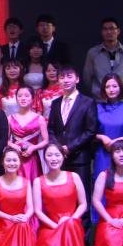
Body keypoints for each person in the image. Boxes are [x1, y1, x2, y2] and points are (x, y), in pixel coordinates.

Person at [33, 144, 102, 246]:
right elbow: (38, 211)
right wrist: (56, 226)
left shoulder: (74, 176)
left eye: (57, 155)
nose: (53, 158)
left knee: (69, 229)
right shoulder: (38, 181)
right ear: (44, 158)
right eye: (49, 155)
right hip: (50, 225)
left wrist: (70, 219)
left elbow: (83, 204)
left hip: (72, 224)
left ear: (63, 156)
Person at [47, 65, 98, 224]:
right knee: (63, 198)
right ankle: (63, 230)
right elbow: (51, 129)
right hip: (59, 160)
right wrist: (57, 149)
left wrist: (70, 147)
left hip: (79, 158)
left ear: (77, 79)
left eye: (69, 76)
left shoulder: (88, 102)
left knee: (82, 198)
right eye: (62, 77)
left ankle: (82, 234)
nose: (65, 80)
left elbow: (91, 130)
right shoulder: (55, 103)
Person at [0, 148, 36, 246]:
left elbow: (31, 207)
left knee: (23, 225)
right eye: (8, 160)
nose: (11, 163)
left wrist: (25, 217)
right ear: (3, 162)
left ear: (20, 162)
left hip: (20, 224)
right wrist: (11, 218)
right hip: (2, 227)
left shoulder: (26, 182)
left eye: (15, 160)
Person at [93, 74, 123, 181]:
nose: (111, 90)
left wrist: (120, 140)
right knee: (102, 185)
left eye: (115, 86)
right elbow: (89, 133)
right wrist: (102, 137)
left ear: (120, 88)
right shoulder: (96, 109)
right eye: (108, 87)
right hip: (103, 155)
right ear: (104, 89)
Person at [82, 17, 123, 103]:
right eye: (105, 29)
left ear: (118, 31)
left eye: (112, 28)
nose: (109, 32)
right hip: (100, 101)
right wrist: (97, 92)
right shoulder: (93, 53)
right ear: (102, 32)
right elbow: (87, 78)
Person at [5, 86, 48, 184]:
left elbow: (46, 141)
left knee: (33, 184)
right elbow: (6, 140)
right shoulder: (10, 118)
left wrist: (33, 148)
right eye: (20, 96)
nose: (23, 98)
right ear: (16, 99)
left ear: (32, 98)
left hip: (32, 158)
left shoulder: (40, 118)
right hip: (15, 158)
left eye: (26, 96)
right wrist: (15, 147)